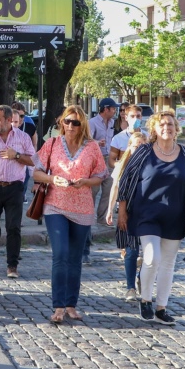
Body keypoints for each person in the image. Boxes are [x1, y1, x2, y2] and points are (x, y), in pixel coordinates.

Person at [117, 110, 185, 324]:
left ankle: (161, 308)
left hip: (175, 216)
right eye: (162, 124)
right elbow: (126, 180)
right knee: (152, 258)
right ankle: (145, 300)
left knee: (168, 263)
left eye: (171, 124)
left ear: (176, 128)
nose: (167, 127)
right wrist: (122, 209)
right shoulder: (144, 151)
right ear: (154, 128)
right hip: (147, 215)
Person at [32, 105, 108, 324]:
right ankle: (57, 306)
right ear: (61, 123)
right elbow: (36, 171)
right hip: (55, 205)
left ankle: (70, 304)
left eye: (75, 122)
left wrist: (86, 182)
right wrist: (51, 179)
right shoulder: (52, 143)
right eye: (67, 121)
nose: (71, 126)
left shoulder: (92, 147)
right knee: (61, 253)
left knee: (75, 259)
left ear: (82, 124)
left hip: (82, 208)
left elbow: (101, 175)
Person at [0, 105, 36, 278]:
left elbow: (33, 160)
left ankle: (12, 265)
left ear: (9, 120)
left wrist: (16, 155)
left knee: (13, 227)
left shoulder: (23, 137)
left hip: (15, 187)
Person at [106, 131, 148, 302]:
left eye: (142, 146)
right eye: (135, 145)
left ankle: (142, 277)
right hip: (127, 212)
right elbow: (115, 188)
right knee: (131, 251)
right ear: (129, 147)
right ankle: (130, 287)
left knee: (150, 254)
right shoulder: (122, 165)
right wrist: (110, 210)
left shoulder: (151, 163)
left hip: (147, 212)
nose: (138, 148)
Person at [83, 97, 117, 264]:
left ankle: (102, 218)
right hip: (96, 159)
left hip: (109, 159)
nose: (115, 111)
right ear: (105, 109)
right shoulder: (92, 122)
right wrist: (96, 142)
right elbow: (84, 140)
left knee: (109, 188)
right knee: (93, 191)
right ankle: (88, 215)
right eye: (113, 109)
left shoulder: (112, 123)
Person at [109, 104, 146, 168]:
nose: (135, 119)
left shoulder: (148, 136)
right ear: (126, 118)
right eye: (132, 116)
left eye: (138, 116)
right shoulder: (118, 138)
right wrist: (122, 166)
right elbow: (111, 161)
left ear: (141, 117)